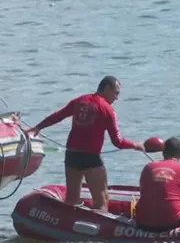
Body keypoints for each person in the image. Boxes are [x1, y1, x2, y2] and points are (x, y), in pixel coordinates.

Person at [27, 76, 145, 211]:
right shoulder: (107, 109)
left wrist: (38, 127)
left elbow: (58, 115)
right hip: (91, 159)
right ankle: (101, 230)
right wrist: (136, 145)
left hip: (71, 155)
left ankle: (66, 227)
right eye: (116, 93)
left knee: (71, 199)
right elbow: (117, 142)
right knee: (101, 199)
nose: (116, 98)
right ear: (107, 88)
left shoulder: (80, 100)